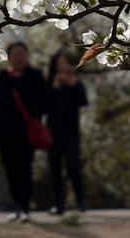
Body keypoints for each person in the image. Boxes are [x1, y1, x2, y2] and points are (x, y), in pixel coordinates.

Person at [0, 41, 47, 223]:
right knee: (10, 170)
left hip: (26, 132)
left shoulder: (35, 75)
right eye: (15, 54)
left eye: (22, 53)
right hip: (5, 132)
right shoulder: (3, 76)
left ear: (27, 56)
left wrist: (36, 116)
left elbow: (44, 100)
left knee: (25, 169)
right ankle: (17, 206)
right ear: (9, 57)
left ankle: (25, 207)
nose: (19, 57)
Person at [45, 50, 88, 215]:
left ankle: (80, 201)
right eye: (59, 63)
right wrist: (55, 88)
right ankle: (58, 204)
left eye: (64, 62)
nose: (61, 66)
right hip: (52, 132)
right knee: (54, 169)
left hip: (71, 132)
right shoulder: (49, 82)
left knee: (73, 167)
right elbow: (44, 104)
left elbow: (83, 101)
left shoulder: (76, 83)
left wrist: (72, 84)